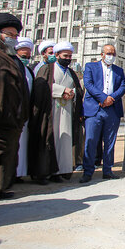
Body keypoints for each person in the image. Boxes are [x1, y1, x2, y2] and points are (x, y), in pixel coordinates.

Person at [30, 42, 83, 183]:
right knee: (49, 140)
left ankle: (59, 171)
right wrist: (62, 91)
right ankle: (43, 173)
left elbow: (77, 89)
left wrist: (71, 94)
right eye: (65, 56)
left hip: (67, 111)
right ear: (58, 55)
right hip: (51, 111)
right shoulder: (47, 69)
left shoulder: (71, 72)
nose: (67, 58)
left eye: (70, 56)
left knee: (63, 141)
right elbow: (42, 86)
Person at [0, 13, 29, 199]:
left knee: (8, 154)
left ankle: (0, 188)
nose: (13, 39)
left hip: (13, 116)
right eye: (9, 35)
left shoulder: (11, 57)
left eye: (15, 36)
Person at [79, 44, 125, 183]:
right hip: (94, 109)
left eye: (113, 53)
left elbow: (123, 86)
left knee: (110, 142)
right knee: (91, 141)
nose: (110, 56)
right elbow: (88, 84)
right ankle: (88, 171)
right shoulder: (90, 67)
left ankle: (108, 170)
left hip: (112, 110)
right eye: (108, 53)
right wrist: (103, 98)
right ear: (102, 54)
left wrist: (111, 98)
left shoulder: (119, 70)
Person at [14, 37, 36, 183]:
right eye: (24, 56)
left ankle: (19, 173)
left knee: (23, 145)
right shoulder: (12, 66)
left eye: (28, 56)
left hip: (26, 113)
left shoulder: (29, 70)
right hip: (14, 113)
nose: (27, 59)